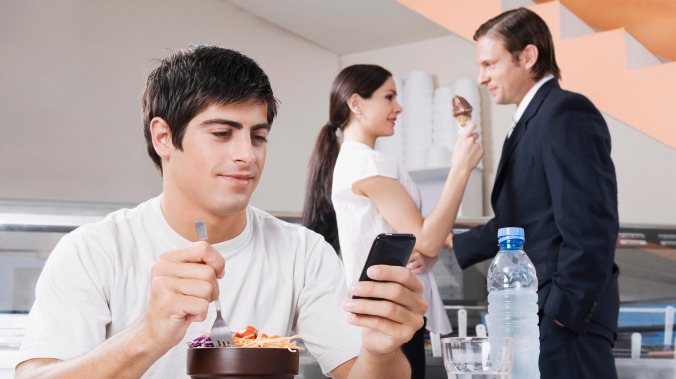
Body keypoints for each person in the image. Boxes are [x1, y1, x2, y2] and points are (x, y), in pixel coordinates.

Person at [14, 45, 429, 379]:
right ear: (163, 137)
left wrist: (382, 348)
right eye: (222, 133)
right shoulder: (93, 251)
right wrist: (149, 333)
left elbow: (363, 374)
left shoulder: (303, 253)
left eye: (258, 136)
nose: (246, 155)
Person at [451, 7, 620, 379]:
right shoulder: (532, 119)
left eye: (490, 65)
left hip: (564, 321)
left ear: (528, 56)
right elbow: (527, 217)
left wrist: (561, 316)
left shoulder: (565, 112)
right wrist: (453, 243)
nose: (482, 78)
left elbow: (592, 227)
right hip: (536, 314)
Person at [302, 64, 484, 378]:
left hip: (390, 310)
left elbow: (421, 239)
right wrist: (461, 168)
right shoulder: (365, 163)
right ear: (356, 103)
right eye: (389, 97)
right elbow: (426, 237)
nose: (398, 107)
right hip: (390, 313)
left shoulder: (358, 161)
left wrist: (424, 247)